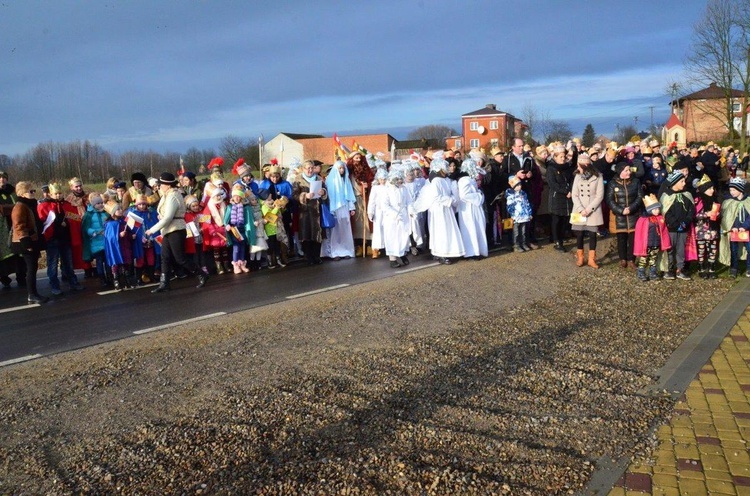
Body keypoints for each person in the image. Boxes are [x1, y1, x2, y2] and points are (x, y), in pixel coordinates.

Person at [144, 172, 209, 293]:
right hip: (168, 229)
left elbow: (169, 217)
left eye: (161, 184)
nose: (159, 186)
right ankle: (164, 283)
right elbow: (165, 214)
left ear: (168, 185)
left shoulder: (173, 196)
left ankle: (201, 274)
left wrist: (152, 230)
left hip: (176, 229)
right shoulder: (165, 195)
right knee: (165, 256)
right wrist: (160, 216)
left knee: (180, 258)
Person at [413, 151, 465, 264]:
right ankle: (440, 253)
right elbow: (436, 196)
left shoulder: (444, 180)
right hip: (438, 210)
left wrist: (452, 198)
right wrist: (450, 200)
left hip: (446, 209)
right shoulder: (435, 181)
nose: (447, 169)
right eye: (445, 167)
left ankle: (447, 251)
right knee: (440, 231)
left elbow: (449, 192)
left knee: (447, 230)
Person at [37, 182, 84, 295]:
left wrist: (71, 221)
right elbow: (42, 221)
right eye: (55, 194)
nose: (58, 196)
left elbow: (75, 218)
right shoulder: (44, 205)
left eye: (60, 193)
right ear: (50, 194)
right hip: (52, 239)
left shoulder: (66, 205)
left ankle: (73, 282)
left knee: (68, 262)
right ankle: (55, 285)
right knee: (52, 264)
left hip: (65, 238)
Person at [10, 182, 48, 304]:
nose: (33, 193)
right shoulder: (20, 206)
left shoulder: (30, 205)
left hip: (33, 240)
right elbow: (19, 226)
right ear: (22, 193)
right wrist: (27, 244)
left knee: (33, 267)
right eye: (30, 191)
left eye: (33, 191)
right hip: (26, 243)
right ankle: (32, 294)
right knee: (31, 268)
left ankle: (33, 293)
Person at [659, 170, 696, 280]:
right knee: (670, 249)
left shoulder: (687, 195)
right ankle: (669, 269)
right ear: (674, 183)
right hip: (671, 228)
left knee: (681, 249)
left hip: (684, 228)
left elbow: (691, 210)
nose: (684, 183)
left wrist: (686, 221)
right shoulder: (666, 196)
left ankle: (680, 268)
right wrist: (675, 223)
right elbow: (666, 212)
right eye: (682, 181)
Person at [606, 162, 643, 269]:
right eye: (626, 170)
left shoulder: (636, 182)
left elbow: (640, 197)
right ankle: (623, 259)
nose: (629, 172)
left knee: (633, 239)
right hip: (619, 216)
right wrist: (621, 210)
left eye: (629, 170)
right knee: (621, 239)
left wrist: (631, 208)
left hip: (633, 215)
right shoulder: (612, 184)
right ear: (620, 171)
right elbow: (609, 200)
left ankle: (632, 259)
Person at [570, 154, 604, 268]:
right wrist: (580, 209)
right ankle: (580, 257)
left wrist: (589, 209)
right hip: (579, 209)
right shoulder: (577, 176)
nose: (577, 167)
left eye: (579, 165)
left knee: (592, 234)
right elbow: (574, 194)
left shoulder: (598, 176)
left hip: (593, 210)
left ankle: (591, 259)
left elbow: (599, 196)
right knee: (579, 234)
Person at [292, 159, 328, 265]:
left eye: (312, 168)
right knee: (306, 234)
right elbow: (294, 195)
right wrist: (304, 196)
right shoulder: (298, 180)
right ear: (303, 169)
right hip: (305, 211)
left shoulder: (319, 178)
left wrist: (323, 192)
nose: (310, 170)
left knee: (317, 234)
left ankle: (317, 256)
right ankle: (308, 257)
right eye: (308, 168)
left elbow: (326, 192)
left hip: (317, 210)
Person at [321, 160, 356, 260]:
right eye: (340, 168)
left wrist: (351, 207)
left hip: (344, 207)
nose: (341, 170)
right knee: (335, 231)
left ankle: (346, 250)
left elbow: (349, 194)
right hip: (335, 208)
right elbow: (329, 196)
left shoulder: (346, 180)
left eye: (343, 168)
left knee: (345, 229)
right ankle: (335, 252)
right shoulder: (330, 181)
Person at [633, 195, 671, 282]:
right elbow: (639, 234)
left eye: (658, 209)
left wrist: (664, 242)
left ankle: (653, 274)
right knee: (643, 260)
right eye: (655, 209)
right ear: (650, 210)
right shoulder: (643, 220)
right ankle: (641, 273)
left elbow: (664, 231)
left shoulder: (660, 219)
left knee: (653, 259)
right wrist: (641, 244)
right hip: (646, 245)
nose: (657, 211)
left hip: (656, 243)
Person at [456, 158, 488, 259]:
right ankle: (472, 252)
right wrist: (478, 196)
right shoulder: (464, 180)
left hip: (474, 207)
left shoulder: (470, 179)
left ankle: (478, 250)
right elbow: (464, 195)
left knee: (478, 227)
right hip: (468, 209)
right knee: (471, 228)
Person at [381, 167, 413, 268]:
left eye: (400, 179)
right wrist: (394, 214)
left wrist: (411, 210)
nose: (400, 181)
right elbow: (384, 205)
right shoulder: (387, 190)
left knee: (403, 236)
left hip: (403, 215)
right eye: (397, 179)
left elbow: (409, 201)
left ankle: (402, 254)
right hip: (392, 218)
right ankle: (393, 259)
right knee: (392, 237)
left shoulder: (404, 188)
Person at [546, 143, 576, 251]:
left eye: (564, 157)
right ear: (555, 157)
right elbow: (552, 184)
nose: (563, 159)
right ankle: (556, 240)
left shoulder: (568, 167)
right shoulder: (551, 168)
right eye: (560, 157)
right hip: (557, 196)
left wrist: (571, 190)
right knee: (556, 219)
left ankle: (561, 238)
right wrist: (565, 191)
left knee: (564, 219)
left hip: (567, 197)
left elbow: (572, 180)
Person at [719, 178, 750, 278]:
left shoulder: (748, 201)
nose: (731, 192)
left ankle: (749, 268)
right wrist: (733, 227)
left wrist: (745, 226)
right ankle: (734, 269)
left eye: (734, 190)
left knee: (749, 249)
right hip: (734, 231)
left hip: (747, 231)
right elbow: (727, 217)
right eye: (730, 190)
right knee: (733, 250)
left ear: (740, 190)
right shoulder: (728, 202)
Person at [346, 151, 374, 256]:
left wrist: (367, 187)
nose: (358, 160)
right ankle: (359, 246)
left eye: (359, 158)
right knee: (357, 223)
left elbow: (371, 181)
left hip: (364, 199)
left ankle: (369, 245)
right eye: (356, 158)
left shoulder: (366, 171)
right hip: (354, 200)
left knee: (367, 223)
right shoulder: (348, 172)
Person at [693, 175, 720, 279]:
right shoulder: (698, 200)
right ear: (704, 189)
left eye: (713, 188)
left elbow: (719, 211)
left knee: (712, 249)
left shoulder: (715, 199)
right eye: (710, 189)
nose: (712, 190)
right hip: (701, 230)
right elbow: (694, 215)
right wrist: (705, 215)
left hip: (712, 229)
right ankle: (701, 268)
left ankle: (711, 268)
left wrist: (718, 215)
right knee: (701, 249)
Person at [103, 202, 135, 290]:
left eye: (121, 209)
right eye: (118, 209)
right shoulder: (109, 223)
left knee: (126, 262)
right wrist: (118, 235)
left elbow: (128, 232)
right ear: (112, 212)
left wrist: (130, 236)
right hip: (116, 248)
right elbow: (109, 237)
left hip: (125, 245)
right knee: (116, 263)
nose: (120, 211)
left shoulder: (124, 221)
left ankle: (127, 279)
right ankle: (116, 280)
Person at [0, 171, 24, 289]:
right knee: (4, 253)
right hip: (2, 228)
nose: (2, 180)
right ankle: (4, 277)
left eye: (4, 177)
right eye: (0, 178)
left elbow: (19, 205)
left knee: (18, 252)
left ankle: (21, 277)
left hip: (15, 224)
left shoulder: (12, 191)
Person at [82, 193, 109, 287]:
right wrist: (95, 232)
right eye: (98, 203)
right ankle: (102, 279)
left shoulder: (105, 213)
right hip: (96, 243)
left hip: (106, 242)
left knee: (108, 262)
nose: (100, 205)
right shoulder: (89, 215)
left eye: (101, 203)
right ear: (93, 205)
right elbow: (86, 228)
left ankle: (109, 278)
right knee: (99, 262)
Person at [64, 177, 89, 275]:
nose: (79, 188)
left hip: (90, 224)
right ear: (71, 187)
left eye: (80, 186)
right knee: (82, 248)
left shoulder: (87, 196)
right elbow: (68, 214)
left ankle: (93, 267)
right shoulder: (69, 200)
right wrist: (79, 219)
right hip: (78, 225)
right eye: (76, 186)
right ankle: (86, 268)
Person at [225, 185, 249, 274]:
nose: (237, 198)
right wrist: (227, 225)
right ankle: (235, 265)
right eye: (235, 196)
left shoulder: (244, 207)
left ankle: (242, 264)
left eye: (239, 197)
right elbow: (226, 219)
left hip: (242, 230)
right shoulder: (230, 207)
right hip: (234, 230)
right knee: (236, 248)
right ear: (233, 197)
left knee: (242, 247)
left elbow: (247, 218)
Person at [505, 176, 532, 253]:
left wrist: (529, 213)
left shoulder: (523, 193)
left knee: (523, 231)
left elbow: (527, 204)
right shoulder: (510, 195)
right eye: (517, 185)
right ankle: (516, 245)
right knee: (516, 232)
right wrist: (512, 214)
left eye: (520, 185)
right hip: (516, 216)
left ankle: (523, 243)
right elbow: (509, 205)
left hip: (524, 216)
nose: (519, 186)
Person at [367, 168, 388, 259]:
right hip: (378, 211)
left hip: (387, 211)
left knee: (387, 229)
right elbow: (372, 200)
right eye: (381, 179)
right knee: (378, 230)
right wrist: (370, 212)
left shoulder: (389, 187)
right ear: (378, 179)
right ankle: (376, 249)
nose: (383, 181)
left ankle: (387, 247)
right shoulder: (375, 188)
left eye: (384, 179)